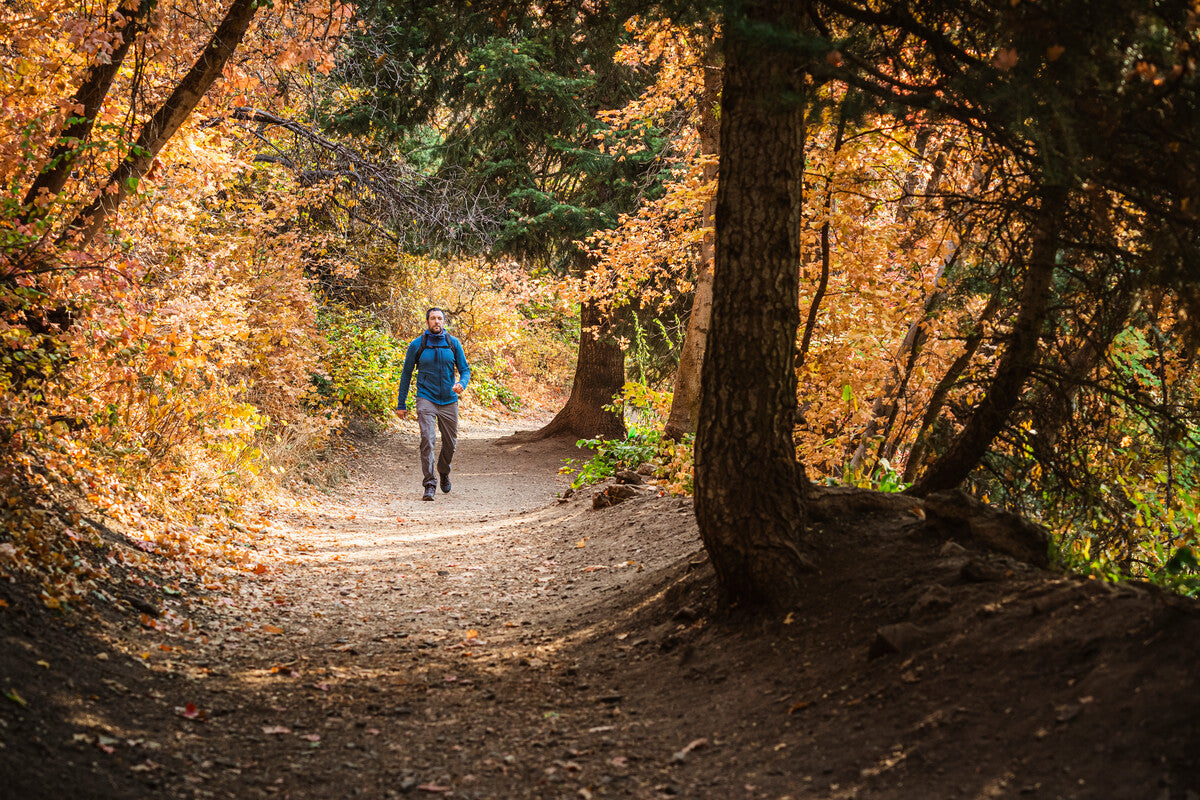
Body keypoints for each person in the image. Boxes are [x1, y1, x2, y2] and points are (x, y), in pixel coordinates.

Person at [395, 308, 471, 501]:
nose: (436, 321)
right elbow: (406, 375)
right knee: (427, 440)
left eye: (439, 318)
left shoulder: (453, 344)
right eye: (432, 318)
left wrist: (461, 384)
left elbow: (465, 370)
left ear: (444, 322)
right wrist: (401, 403)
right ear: (427, 321)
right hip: (425, 397)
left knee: (450, 444)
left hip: (449, 400)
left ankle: (443, 471)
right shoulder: (417, 345)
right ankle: (430, 483)